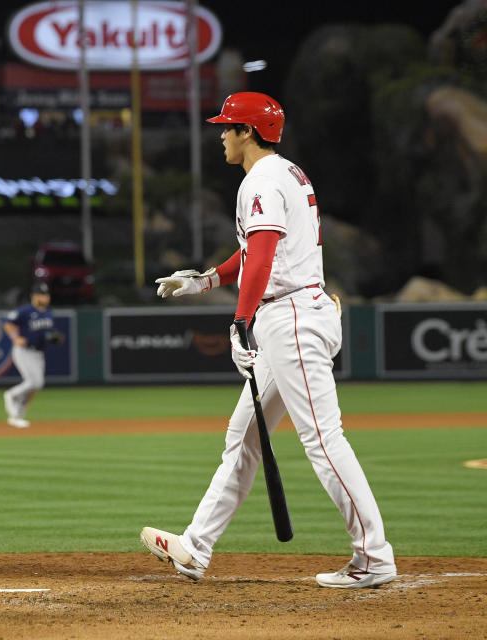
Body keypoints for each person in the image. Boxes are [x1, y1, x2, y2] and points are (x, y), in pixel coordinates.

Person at [140, 92, 396, 589]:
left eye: (227, 126)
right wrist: (205, 281)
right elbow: (254, 251)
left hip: (293, 318)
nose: (221, 134)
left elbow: (261, 256)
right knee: (244, 437)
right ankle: (196, 545)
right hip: (294, 315)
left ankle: (373, 557)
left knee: (323, 440)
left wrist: (240, 320)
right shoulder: (286, 173)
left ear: (248, 133)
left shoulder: (260, 180)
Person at [2, 281, 63, 428]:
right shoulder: (25, 311)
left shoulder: (48, 312)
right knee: (33, 382)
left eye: (46, 294)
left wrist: (53, 337)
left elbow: (47, 333)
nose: (45, 297)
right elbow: (8, 323)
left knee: (37, 385)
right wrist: (15, 338)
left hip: (38, 353)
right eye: (41, 294)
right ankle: (11, 395)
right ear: (34, 296)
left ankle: (18, 415)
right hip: (24, 351)